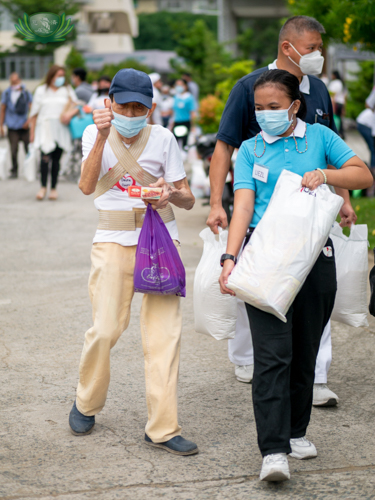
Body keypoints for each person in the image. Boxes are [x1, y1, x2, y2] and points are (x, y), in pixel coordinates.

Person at [219, 69, 372, 482]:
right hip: (265, 259)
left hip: (315, 258)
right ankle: (273, 451)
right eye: (259, 108)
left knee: (305, 353)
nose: (266, 114)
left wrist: (328, 176)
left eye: (274, 107)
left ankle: (296, 432)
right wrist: (230, 257)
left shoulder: (320, 138)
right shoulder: (250, 149)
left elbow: (363, 175)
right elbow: (244, 207)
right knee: (272, 358)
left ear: (294, 106)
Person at [207, 16, 356, 406]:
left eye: (319, 48)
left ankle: (316, 377)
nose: (317, 55)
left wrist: (345, 198)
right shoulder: (252, 88)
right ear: (287, 47)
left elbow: (334, 151)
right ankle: (246, 356)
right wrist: (214, 204)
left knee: (312, 299)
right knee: (254, 289)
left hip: (310, 218)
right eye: (311, 48)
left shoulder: (319, 91)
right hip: (261, 214)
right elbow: (224, 146)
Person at [68, 68, 198, 457]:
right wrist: (103, 138)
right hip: (111, 239)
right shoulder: (95, 132)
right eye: (123, 105)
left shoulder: (164, 138)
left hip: (159, 242)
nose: (130, 112)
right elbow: (86, 185)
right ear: (109, 103)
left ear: (151, 108)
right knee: (105, 329)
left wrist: (169, 195)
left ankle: (162, 427)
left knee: (163, 337)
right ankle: (86, 401)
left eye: (138, 106)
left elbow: (188, 197)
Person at [29, 65, 78, 201]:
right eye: (58, 75)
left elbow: (77, 106)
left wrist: (69, 114)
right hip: (45, 129)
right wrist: (32, 133)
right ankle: (43, 187)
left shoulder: (67, 90)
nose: (60, 78)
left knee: (56, 160)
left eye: (62, 75)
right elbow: (34, 113)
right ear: (51, 76)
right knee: (45, 158)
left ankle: (54, 188)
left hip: (61, 129)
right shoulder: (41, 90)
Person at [0, 72, 32, 178]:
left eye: (16, 81)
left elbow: (32, 108)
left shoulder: (26, 93)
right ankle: (14, 170)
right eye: (12, 82)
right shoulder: (7, 93)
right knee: (13, 150)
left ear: (20, 80)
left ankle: (31, 170)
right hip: (12, 126)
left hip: (24, 125)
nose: (14, 83)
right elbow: (3, 109)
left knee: (29, 149)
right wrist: (1, 125)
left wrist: (29, 122)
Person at [171, 79, 196, 149]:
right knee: (174, 143)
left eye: (180, 85)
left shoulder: (189, 98)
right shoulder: (176, 97)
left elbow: (192, 112)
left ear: (185, 86)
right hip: (176, 122)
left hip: (185, 122)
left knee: (184, 142)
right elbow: (174, 112)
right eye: (177, 85)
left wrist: (193, 126)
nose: (178, 87)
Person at [328, 70, 347, 139]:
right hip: (341, 103)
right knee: (340, 119)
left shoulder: (334, 83)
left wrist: (332, 106)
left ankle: (336, 133)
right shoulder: (342, 83)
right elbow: (345, 96)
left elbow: (333, 95)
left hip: (336, 103)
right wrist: (344, 108)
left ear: (334, 75)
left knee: (334, 119)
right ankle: (342, 133)